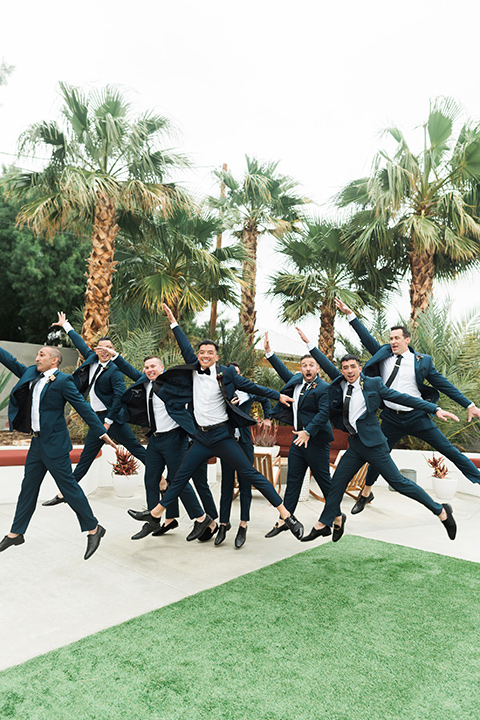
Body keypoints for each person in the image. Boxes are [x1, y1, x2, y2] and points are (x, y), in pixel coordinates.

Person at [128, 304, 304, 542]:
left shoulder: (226, 374)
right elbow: (184, 346)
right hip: (201, 438)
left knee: (250, 473)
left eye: (210, 352)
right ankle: (156, 515)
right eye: (202, 352)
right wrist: (173, 322)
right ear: (198, 355)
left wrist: (277, 395)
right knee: (180, 477)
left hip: (222, 436)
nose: (205, 355)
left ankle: (287, 515)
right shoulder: (193, 369)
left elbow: (251, 387)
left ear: (216, 356)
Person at [328, 298, 480, 513]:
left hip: (417, 417)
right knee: (378, 455)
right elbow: (365, 338)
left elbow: (443, 384)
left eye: (397, 338)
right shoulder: (384, 354)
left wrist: (469, 404)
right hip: (391, 418)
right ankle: (365, 493)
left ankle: (478, 479)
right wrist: (350, 315)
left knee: (448, 449)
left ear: (407, 339)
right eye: (390, 338)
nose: (393, 341)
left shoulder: (422, 361)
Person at [297, 351, 459, 543]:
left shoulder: (373, 384)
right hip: (355, 444)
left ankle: (441, 511)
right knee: (337, 484)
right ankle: (326, 524)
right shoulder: (337, 386)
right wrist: (308, 430)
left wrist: (434, 408)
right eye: (345, 368)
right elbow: (327, 409)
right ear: (342, 370)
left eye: (353, 367)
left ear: (360, 368)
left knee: (399, 483)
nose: (350, 371)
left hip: (374, 445)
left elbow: (402, 398)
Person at [0, 344, 117, 559]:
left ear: (54, 360)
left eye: (41, 355)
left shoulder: (63, 381)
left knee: (69, 488)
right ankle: (16, 533)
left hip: (55, 445)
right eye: (37, 354)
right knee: (28, 488)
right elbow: (11, 361)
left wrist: (101, 433)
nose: (37, 358)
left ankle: (93, 529)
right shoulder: (31, 374)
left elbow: (82, 406)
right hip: (36, 444)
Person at [102, 348, 218, 541]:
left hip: (174, 439)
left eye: (153, 366)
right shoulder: (145, 383)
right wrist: (115, 356)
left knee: (177, 482)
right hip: (155, 439)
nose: (149, 370)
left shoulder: (173, 385)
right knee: (151, 479)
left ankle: (201, 518)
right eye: (147, 367)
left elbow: (195, 386)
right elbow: (128, 369)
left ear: (162, 368)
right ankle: (153, 520)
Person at [42, 313, 147, 507]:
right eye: (101, 348)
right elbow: (80, 343)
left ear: (113, 351)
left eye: (109, 348)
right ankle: (64, 493)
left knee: (137, 449)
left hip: (111, 420)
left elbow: (119, 397)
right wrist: (66, 326)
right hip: (96, 419)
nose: (104, 351)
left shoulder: (115, 370)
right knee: (85, 459)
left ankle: (165, 478)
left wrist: (108, 421)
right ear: (97, 349)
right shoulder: (92, 358)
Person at [263, 331, 342, 538]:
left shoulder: (323, 387)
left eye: (311, 365)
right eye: (304, 365)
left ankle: (338, 516)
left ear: (318, 369)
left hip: (316, 441)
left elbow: (325, 413)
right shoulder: (297, 382)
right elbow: (283, 373)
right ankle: (284, 520)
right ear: (301, 369)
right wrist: (270, 353)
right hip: (298, 440)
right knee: (294, 481)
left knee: (325, 482)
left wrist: (308, 432)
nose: (308, 368)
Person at [215, 362, 272, 549]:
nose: (235, 377)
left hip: (245, 444)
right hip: (226, 443)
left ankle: (243, 525)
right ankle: (223, 525)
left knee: (246, 484)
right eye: (232, 374)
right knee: (226, 485)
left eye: (238, 374)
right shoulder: (219, 392)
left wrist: (268, 418)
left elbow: (265, 398)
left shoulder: (248, 392)